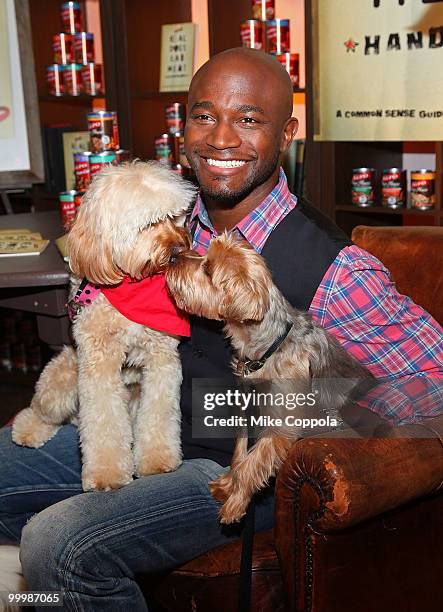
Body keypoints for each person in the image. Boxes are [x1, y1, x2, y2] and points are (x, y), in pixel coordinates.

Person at [0, 48, 442, 611]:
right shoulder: (176, 221)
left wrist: (314, 414)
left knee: (59, 544)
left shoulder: (335, 268)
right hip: (152, 425)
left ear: (287, 132)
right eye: (204, 115)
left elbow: (435, 375)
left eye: (249, 119)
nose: (221, 139)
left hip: (232, 468)